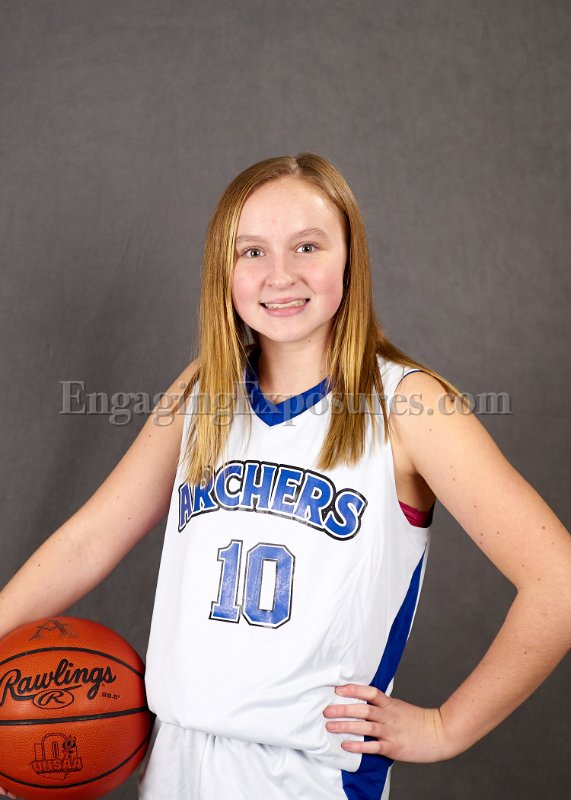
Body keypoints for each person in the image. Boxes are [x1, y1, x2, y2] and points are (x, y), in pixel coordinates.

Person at [0, 152, 569, 800]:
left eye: (307, 246)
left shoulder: (408, 405)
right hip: (176, 763)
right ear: (224, 270)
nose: (280, 275)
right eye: (252, 252)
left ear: (349, 258)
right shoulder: (202, 392)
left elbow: (557, 580)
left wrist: (446, 728)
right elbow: (88, 542)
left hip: (307, 776)